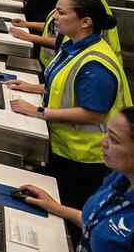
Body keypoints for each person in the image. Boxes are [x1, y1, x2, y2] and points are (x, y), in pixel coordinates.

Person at [6, 0, 132, 214]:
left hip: (85, 156)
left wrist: (38, 111)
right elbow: (66, 86)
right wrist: (33, 87)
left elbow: (93, 114)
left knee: (68, 210)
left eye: (62, 13)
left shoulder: (95, 64)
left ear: (85, 22)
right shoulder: (74, 46)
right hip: (65, 144)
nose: (54, 17)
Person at [19, 106, 134, 252]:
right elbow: (96, 222)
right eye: (106, 133)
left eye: (114, 140)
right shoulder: (119, 178)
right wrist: (54, 206)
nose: (103, 142)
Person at [10, 0, 122, 70]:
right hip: (56, 66)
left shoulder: (90, 5)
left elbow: (66, 40)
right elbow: (56, 26)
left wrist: (30, 37)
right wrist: (27, 24)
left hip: (86, 67)